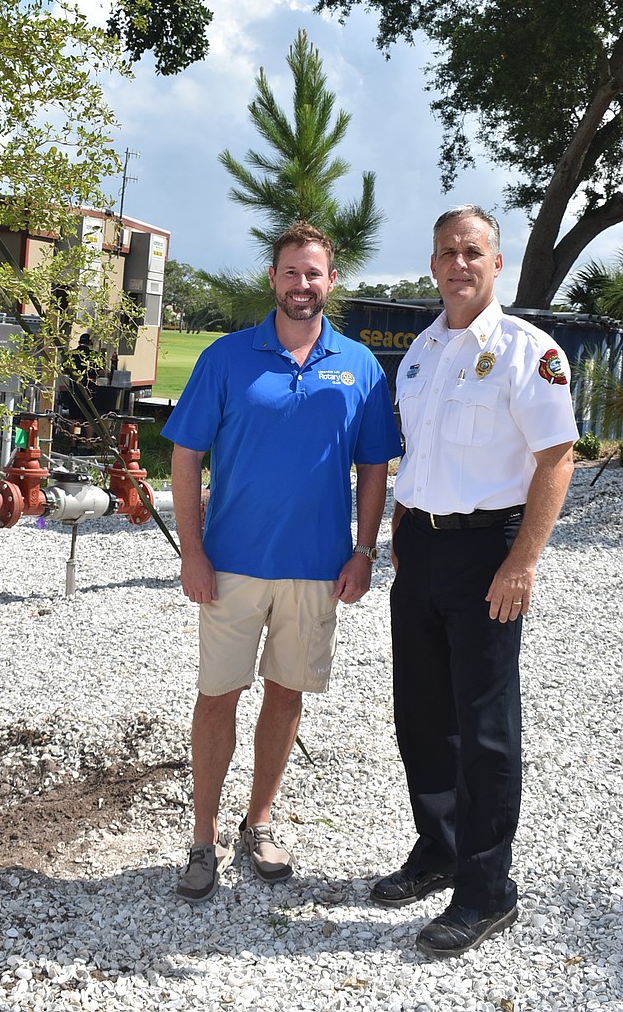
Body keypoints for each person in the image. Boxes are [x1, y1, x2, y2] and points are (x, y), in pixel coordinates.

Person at [162, 221, 402, 903]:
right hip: (231, 565)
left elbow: (374, 466)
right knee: (217, 700)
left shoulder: (358, 367)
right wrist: (194, 552)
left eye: (314, 274)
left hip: (318, 569)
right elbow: (185, 458)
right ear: (273, 279)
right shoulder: (228, 358)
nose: (303, 285)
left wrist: (363, 550)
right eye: (291, 273)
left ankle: (258, 822)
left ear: (332, 282)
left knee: (287, 695)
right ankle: (202, 839)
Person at [371, 204, 578, 956]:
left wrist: (522, 561)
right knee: (422, 714)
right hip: (421, 551)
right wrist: (400, 522)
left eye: (473, 251)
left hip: (488, 553)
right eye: (446, 252)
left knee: (486, 728)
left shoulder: (529, 352)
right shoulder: (422, 350)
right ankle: (442, 848)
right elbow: (417, 454)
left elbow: (557, 459)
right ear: (432, 265)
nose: (458, 263)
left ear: (497, 265)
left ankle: (489, 889)